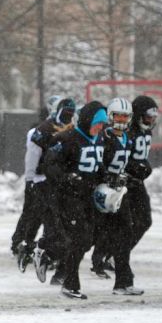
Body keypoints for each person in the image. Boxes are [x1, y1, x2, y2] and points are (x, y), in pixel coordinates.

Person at [43, 101, 107, 299]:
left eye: (103, 124)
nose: (100, 127)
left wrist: (107, 180)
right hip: (67, 197)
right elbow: (49, 165)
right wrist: (67, 178)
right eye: (98, 123)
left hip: (88, 197)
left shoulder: (99, 139)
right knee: (79, 238)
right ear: (87, 120)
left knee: (89, 238)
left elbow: (98, 165)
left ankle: (47, 251)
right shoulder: (66, 138)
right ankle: (70, 282)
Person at [20, 98, 76, 286]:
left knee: (64, 224)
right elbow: (33, 156)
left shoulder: (72, 130)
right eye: (65, 113)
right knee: (47, 220)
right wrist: (30, 180)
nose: (67, 117)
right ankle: (34, 248)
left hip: (61, 182)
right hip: (43, 181)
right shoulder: (43, 130)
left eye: (71, 114)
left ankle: (49, 254)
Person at [117, 95, 159, 295]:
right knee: (114, 230)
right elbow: (122, 158)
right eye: (149, 115)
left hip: (137, 184)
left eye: (154, 116)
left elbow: (141, 158)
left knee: (144, 221)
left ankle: (115, 255)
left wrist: (144, 168)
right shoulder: (128, 132)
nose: (152, 120)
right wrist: (136, 168)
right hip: (124, 184)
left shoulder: (146, 133)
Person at [90, 98, 133, 279]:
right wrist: (105, 175)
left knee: (122, 228)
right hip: (102, 188)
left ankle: (106, 261)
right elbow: (97, 162)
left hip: (117, 191)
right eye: (118, 116)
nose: (122, 120)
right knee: (97, 228)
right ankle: (58, 259)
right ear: (110, 116)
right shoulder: (103, 137)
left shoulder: (126, 138)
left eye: (125, 117)